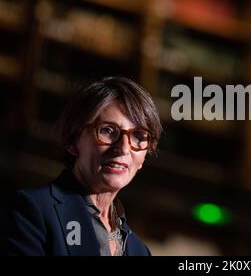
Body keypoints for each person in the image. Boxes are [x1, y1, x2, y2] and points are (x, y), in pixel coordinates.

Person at [1, 76, 162, 256]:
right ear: (73, 140)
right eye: (108, 130)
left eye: (139, 136)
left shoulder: (139, 251)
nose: (123, 148)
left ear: (143, 157)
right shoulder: (34, 211)